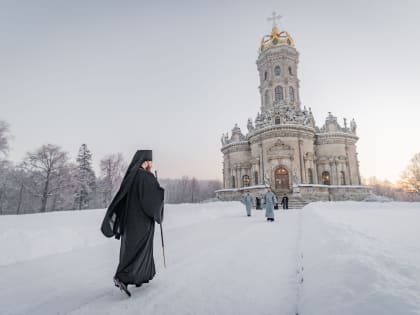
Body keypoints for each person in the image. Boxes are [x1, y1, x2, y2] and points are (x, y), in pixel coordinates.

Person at [101, 150, 164, 297]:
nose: (151, 164)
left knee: (130, 249)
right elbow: (152, 201)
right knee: (137, 250)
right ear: (145, 161)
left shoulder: (132, 175)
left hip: (129, 221)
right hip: (141, 221)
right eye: (150, 162)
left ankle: (140, 277)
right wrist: (160, 192)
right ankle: (122, 277)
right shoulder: (145, 176)